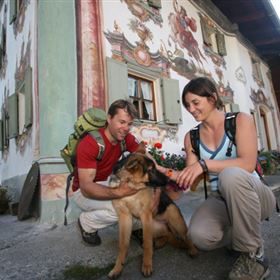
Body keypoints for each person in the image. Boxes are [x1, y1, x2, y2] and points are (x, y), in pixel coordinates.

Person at [159, 77, 276, 280]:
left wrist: (206, 164)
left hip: (255, 196)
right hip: (220, 199)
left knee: (230, 176)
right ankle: (239, 234)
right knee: (198, 236)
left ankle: (254, 257)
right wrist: (163, 172)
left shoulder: (240, 120)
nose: (191, 109)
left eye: (196, 102)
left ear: (212, 98)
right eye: (187, 105)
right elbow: (190, 177)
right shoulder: (192, 137)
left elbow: (248, 164)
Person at [72, 99, 162, 246]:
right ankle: (87, 223)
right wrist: (119, 193)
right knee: (122, 207)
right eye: (121, 122)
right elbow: (87, 187)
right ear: (109, 118)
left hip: (107, 181)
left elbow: (149, 161)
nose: (126, 128)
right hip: (82, 191)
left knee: (142, 194)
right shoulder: (89, 144)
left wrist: (157, 192)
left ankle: (136, 228)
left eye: (129, 124)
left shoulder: (125, 139)